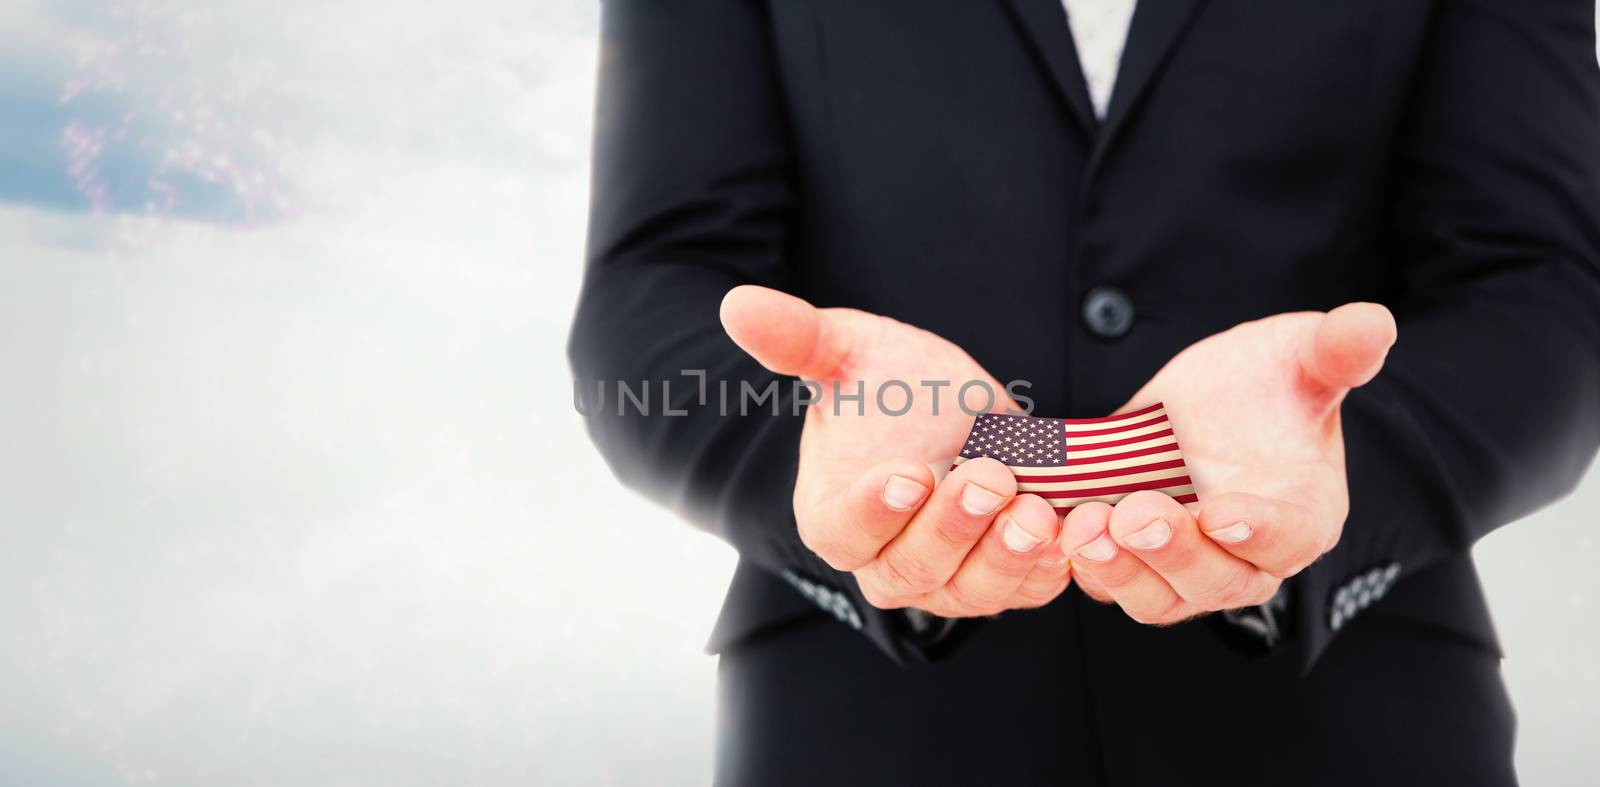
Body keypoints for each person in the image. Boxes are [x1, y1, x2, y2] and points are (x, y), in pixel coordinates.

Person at [568, 1, 1600, 784]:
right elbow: (650, 286)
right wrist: (818, 465)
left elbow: (1544, 290)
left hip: (1351, 716)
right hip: (867, 723)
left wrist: (1347, 472)